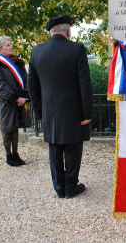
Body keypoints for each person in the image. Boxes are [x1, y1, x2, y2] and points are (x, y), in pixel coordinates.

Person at [28, 15, 93, 199]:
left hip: (49, 110)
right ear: (68, 31)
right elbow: (84, 83)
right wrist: (87, 111)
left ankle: (59, 187)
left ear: (51, 32)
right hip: (73, 109)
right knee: (73, 147)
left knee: (54, 147)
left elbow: (32, 85)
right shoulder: (76, 49)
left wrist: (39, 111)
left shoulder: (36, 51)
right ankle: (70, 185)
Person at [0, 36, 29, 167]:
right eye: (7, 45)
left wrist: (23, 97)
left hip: (20, 101)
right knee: (7, 128)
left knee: (15, 128)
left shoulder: (18, 62)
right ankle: (8, 156)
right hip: (6, 102)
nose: (11, 47)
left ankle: (16, 153)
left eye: (11, 44)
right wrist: (15, 98)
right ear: (0, 49)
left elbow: (25, 80)